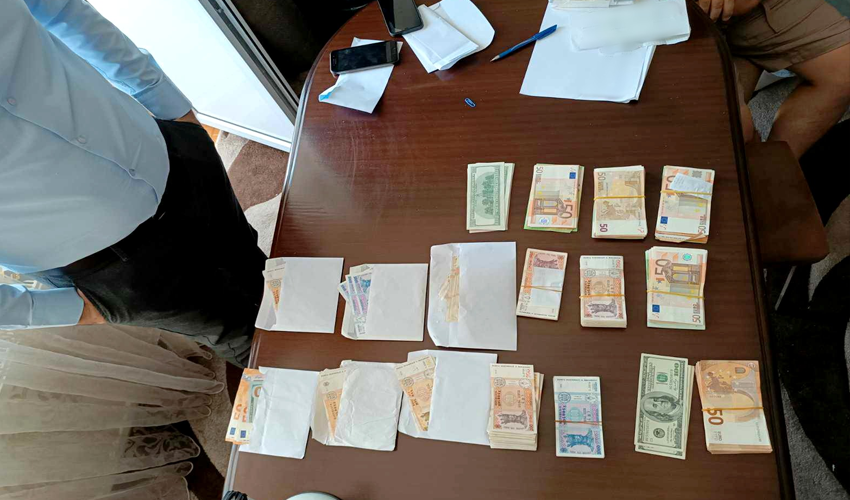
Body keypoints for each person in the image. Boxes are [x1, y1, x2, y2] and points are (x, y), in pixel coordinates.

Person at [0, 0, 266, 367]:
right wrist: (57, 310)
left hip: (163, 151)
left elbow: (61, 8)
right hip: (108, 267)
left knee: (261, 265)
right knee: (244, 337)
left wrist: (160, 96)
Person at [698, 0, 850, 159]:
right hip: (689, 19)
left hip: (755, 7)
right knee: (730, 133)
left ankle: (775, 162)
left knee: (843, 66)